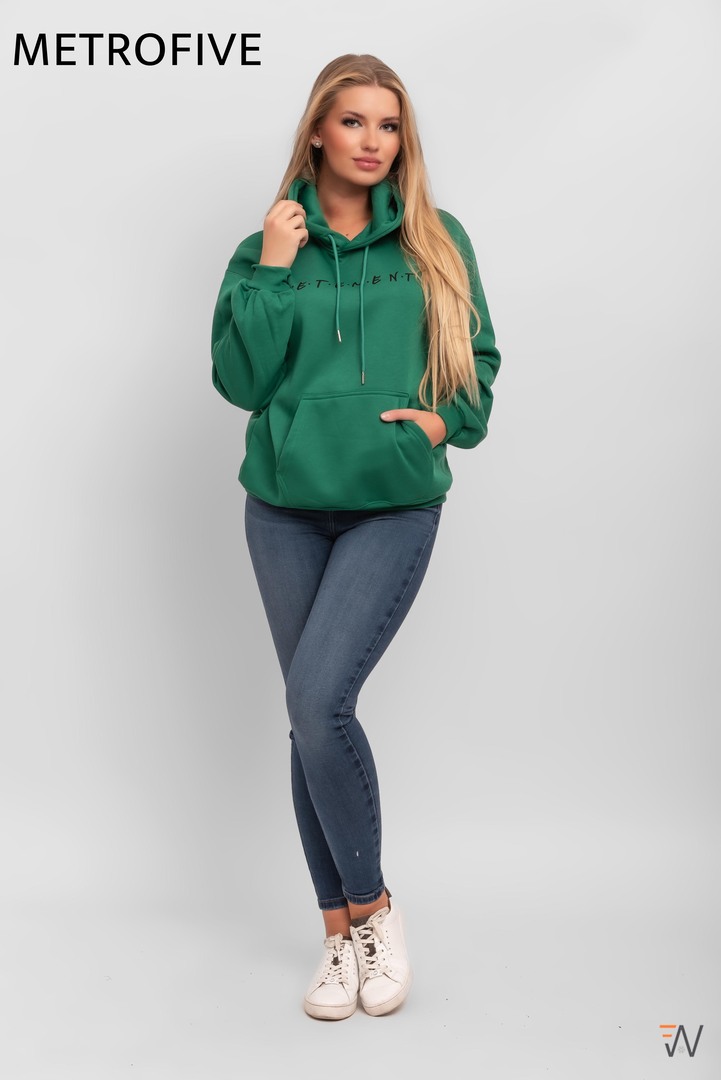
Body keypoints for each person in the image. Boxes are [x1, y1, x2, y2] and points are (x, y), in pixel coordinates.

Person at [210, 53, 502, 1020]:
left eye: (388, 125)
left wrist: (443, 422)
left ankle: (374, 910)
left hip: (392, 503)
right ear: (316, 133)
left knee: (317, 699)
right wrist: (275, 265)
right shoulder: (266, 246)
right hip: (284, 508)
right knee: (309, 716)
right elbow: (241, 382)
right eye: (353, 122)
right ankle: (340, 934)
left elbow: (477, 358)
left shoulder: (434, 240)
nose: (372, 141)